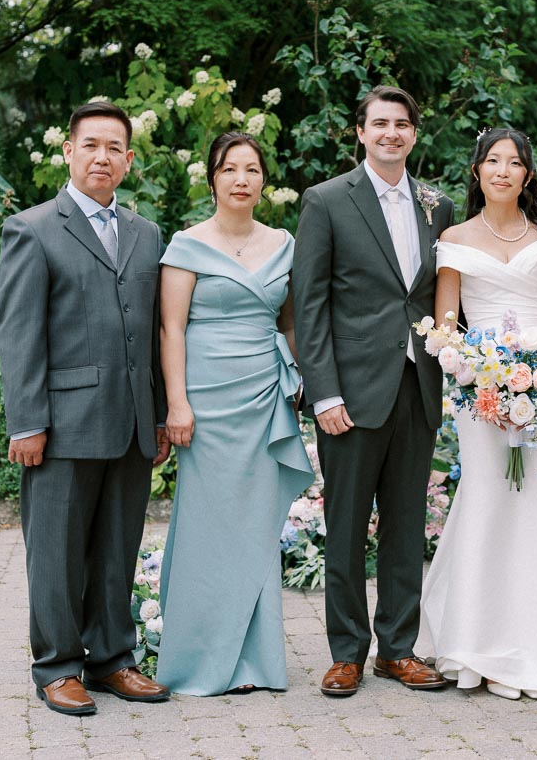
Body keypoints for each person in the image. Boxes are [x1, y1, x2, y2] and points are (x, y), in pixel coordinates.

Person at [416, 128, 537, 700]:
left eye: (515, 162)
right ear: (476, 172)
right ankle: (474, 641)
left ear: (528, 174)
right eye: (492, 161)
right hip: (481, 395)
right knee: (485, 500)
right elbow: (446, 326)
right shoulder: (453, 238)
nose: (503, 170)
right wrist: (479, 374)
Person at [0, 100, 172, 716]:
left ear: (129, 159)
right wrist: (26, 422)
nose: (103, 156)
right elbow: (19, 335)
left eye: (115, 147)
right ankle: (58, 666)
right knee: (56, 549)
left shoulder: (148, 234)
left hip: (129, 422)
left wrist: (156, 413)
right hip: (62, 424)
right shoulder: (33, 228)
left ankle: (112, 660)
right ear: (68, 152)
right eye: (91, 145)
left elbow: (153, 332)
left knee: (118, 547)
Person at [292, 85, 456, 698]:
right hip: (352, 393)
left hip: (417, 385)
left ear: (414, 133)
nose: (392, 133)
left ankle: (399, 649)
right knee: (345, 523)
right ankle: (346, 652)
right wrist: (324, 393)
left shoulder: (436, 205)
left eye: (402, 124)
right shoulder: (327, 201)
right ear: (359, 132)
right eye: (379, 124)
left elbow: (436, 295)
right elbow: (308, 306)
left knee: (407, 526)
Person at [154, 132, 314, 696]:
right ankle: (199, 661)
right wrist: (177, 404)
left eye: (251, 169)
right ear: (212, 178)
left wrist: (302, 384)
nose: (241, 179)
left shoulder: (284, 243)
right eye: (229, 169)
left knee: (256, 527)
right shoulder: (186, 245)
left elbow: (290, 324)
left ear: (263, 180)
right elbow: (171, 327)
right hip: (206, 398)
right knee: (206, 525)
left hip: (263, 395)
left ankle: (256, 662)